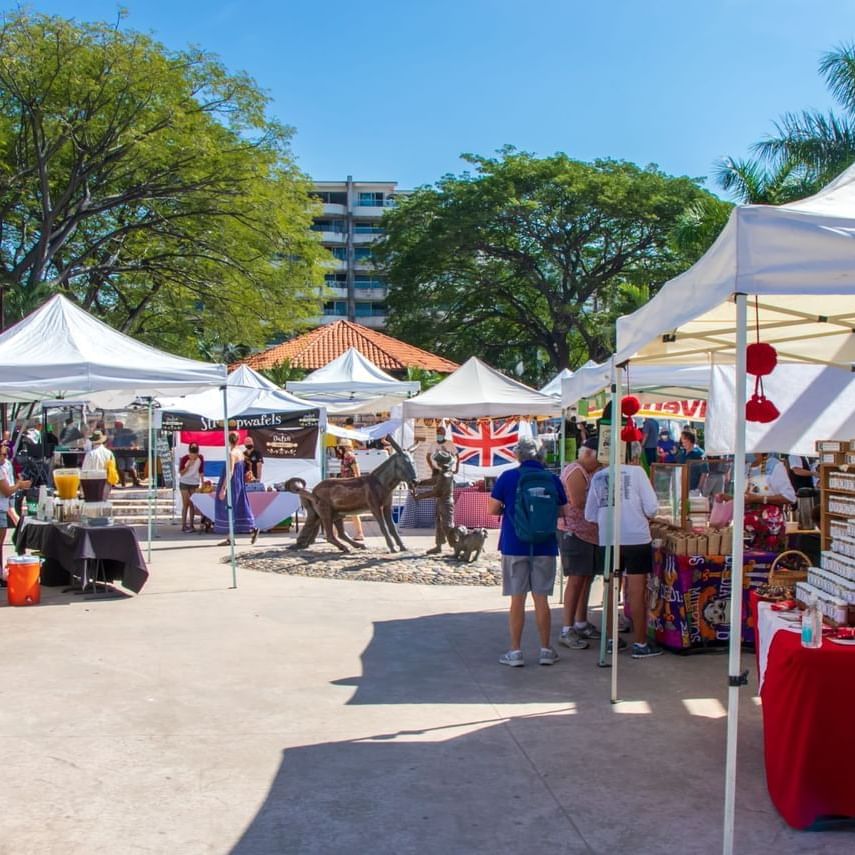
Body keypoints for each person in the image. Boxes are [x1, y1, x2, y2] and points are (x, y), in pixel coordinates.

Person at [487, 436, 567, 668]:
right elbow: (563, 511)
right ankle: (545, 650)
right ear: (541, 455)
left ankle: (515, 651)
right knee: (541, 599)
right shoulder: (552, 479)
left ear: (517, 455)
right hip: (545, 545)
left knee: (517, 599)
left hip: (514, 544)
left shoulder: (508, 477)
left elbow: (492, 510)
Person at [585, 441, 663, 659]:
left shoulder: (599, 476)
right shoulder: (637, 472)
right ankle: (640, 643)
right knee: (636, 592)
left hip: (608, 538)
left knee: (610, 590)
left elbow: (590, 515)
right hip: (636, 537)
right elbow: (652, 508)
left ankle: (610, 640)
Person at [558, 438, 603, 650]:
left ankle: (581, 621)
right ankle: (567, 628)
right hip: (574, 532)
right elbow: (578, 501)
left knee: (586, 578)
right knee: (576, 580)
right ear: (587, 454)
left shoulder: (591, 471)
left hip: (589, 532)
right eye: (598, 459)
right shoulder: (575, 470)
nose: (601, 463)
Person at [412, 446, 456, 555]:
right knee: (440, 525)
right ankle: (439, 546)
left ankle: (456, 546)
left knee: (447, 526)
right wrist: (420, 482)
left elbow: (435, 492)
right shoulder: (444, 473)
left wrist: (419, 496)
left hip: (446, 503)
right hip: (441, 502)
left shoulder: (446, 475)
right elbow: (433, 480)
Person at [214, 432, 256, 545]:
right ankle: (251, 529)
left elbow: (230, 471)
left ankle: (231, 538)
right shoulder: (240, 453)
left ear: (228, 440)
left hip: (232, 484)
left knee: (228, 508)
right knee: (240, 507)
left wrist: (224, 488)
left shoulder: (232, 453)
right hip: (239, 483)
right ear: (238, 440)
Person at [0, 444, 29, 572]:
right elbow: (6, 491)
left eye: (6, 454)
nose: (4, 458)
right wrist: (19, 485)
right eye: (2, 454)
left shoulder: (5, 465)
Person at [334, 439, 365, 541]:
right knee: (340, 510)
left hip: (350, 487)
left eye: (341, 447)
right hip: (345, 486)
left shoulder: (350, 457)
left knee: (350, 511)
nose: (339, 449)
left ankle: (359, 533)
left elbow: (357, 472)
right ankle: (335, 532)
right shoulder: (345, 457)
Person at [178, 443, 205, 532]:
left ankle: (191, 525)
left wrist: (203, 482)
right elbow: (181, 472)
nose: (193, 456)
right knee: (186, 504)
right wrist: (189, 464)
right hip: (184, 482)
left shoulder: (200, 458)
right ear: (189, 452)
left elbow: (201, 471)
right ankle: (183, 525)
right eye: (192, 454)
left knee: (192, 503)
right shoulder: (185, 458)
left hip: (194, 482)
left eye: (195, 454)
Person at [82, 430, 117, 497]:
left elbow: (85, 472)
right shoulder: (109, 453)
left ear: (92, 441)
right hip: (106, 482)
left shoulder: (90, 454)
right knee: (104, 502)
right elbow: (113, 468)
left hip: (92, 483)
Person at [110, 421, 141, 487]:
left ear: (122, 426)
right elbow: (111, 442)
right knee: (121, 468)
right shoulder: (115, 433)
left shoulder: (128, 431)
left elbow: (135, 439)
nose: (117, 428)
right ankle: (123, 483)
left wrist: (135, 446)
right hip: (118, 452)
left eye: (118, 426)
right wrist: (113, 448)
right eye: (116, 426)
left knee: (130, 467)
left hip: (128, 451)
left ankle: (135, 481)